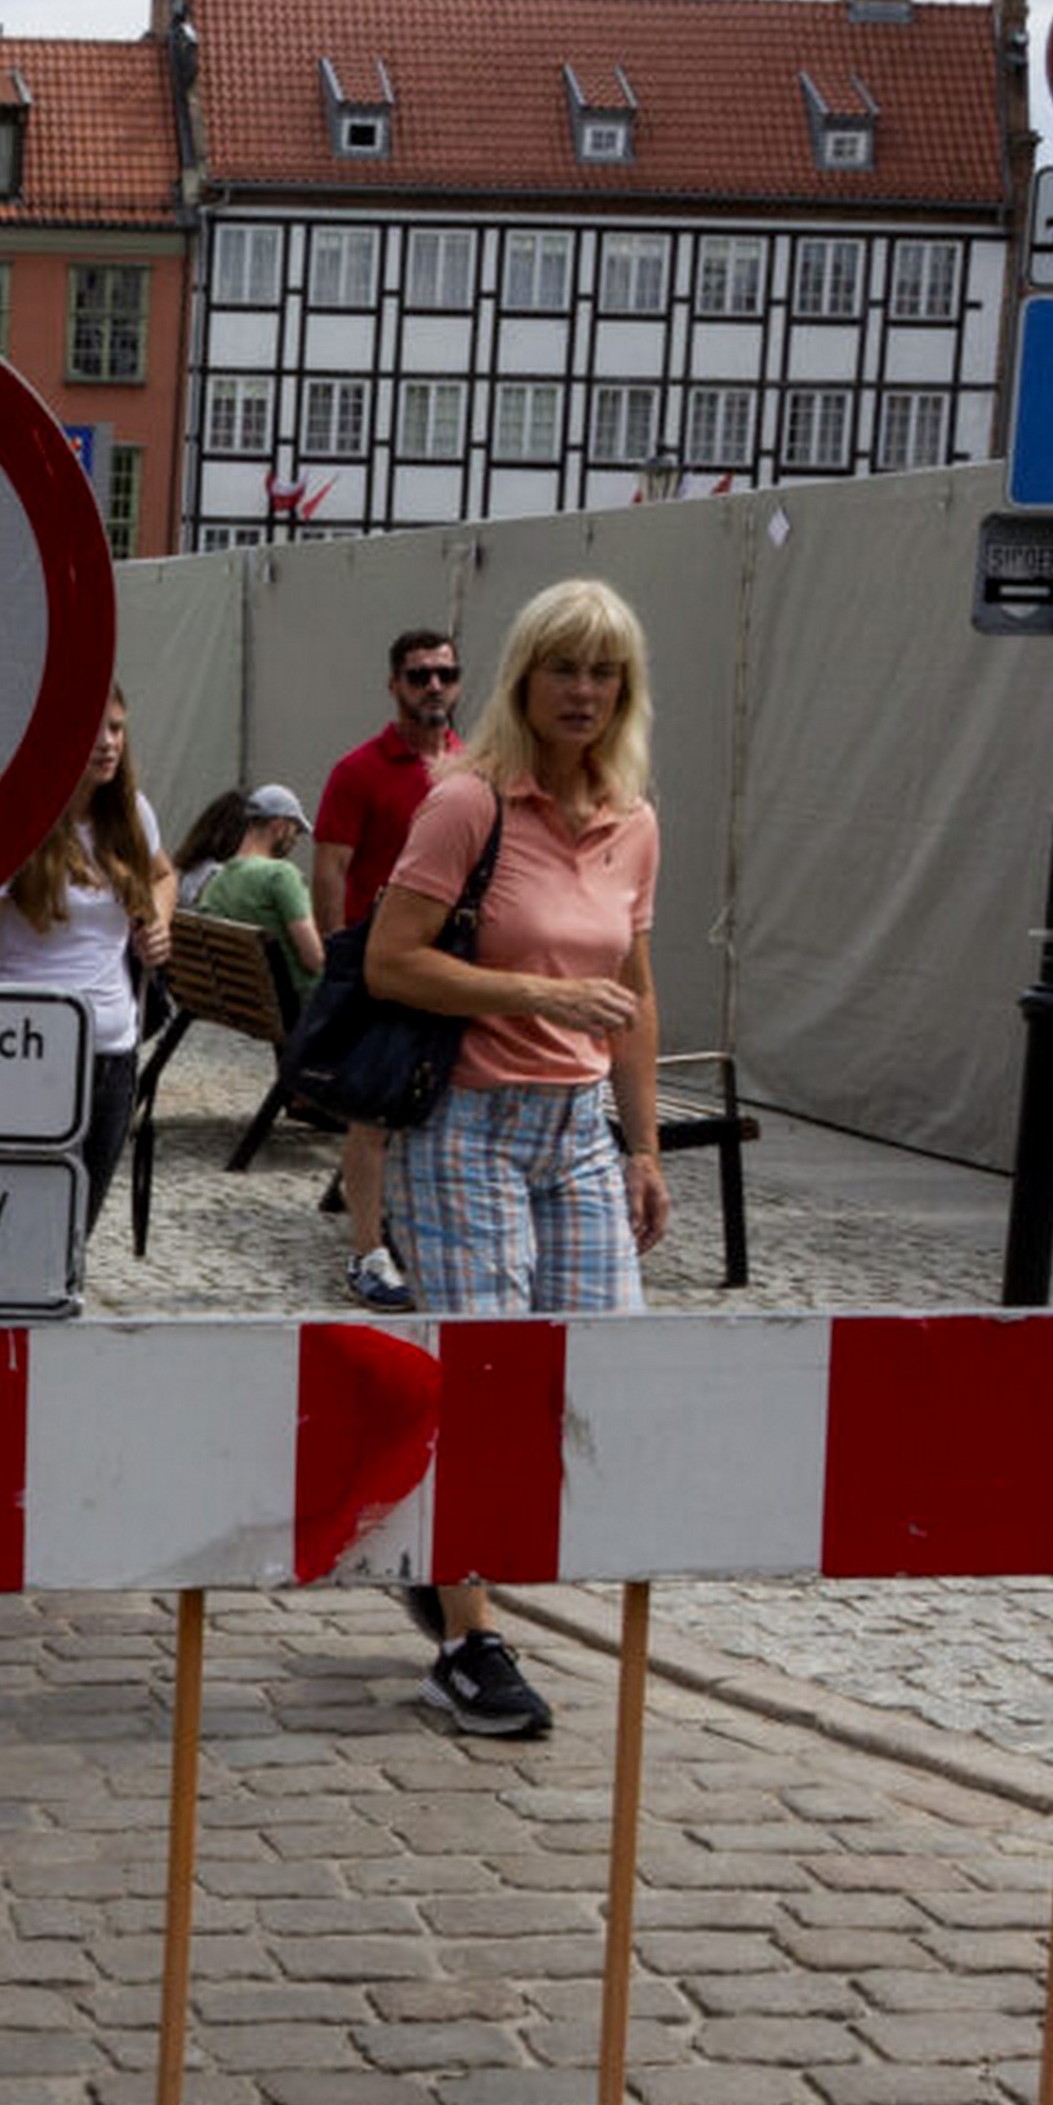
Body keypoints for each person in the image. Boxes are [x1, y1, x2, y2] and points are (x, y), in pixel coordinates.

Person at [363, 580, 667, 1743]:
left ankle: (434, 1556)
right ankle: (466, 1641)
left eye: (603, 672)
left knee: (597, 1371)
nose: (582, 692)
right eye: (563, 669)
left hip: (576, 1131)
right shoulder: (468, 802)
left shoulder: (633, 819)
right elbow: (391, 960)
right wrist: (536, 994)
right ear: (523, 680)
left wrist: (643, 1147)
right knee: (483, 1380)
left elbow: (633, 995)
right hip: (466, 1126)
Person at [0, 689, 168, 1257]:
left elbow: (164, 874)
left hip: (115, 1054)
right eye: (92, 730)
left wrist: (158, 922)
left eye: (117, 729)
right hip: (35, 1056)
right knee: (20, 1232)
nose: (107, 743)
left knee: (73, 1235)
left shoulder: (131, 814)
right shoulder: (16, 822)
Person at [310, 628, 468, 1311]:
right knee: (372, 1114)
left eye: (445, 674)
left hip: (457, 970)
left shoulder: (475, 767)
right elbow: (330, 869)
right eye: (419, 674)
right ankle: (368, 1250)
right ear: (393, 684)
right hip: (383, 968)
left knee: (449, 1107)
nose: (434, 686)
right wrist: (339, 962)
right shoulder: (358, 771)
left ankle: (422, 1232)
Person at [190, 782, 327, 1005]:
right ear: (279, 826)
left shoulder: (217, 881)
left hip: (247, 1002)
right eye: (295, 830)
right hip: (298, 1004)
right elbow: (314, 959)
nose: (295, 840)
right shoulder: (281, 875)